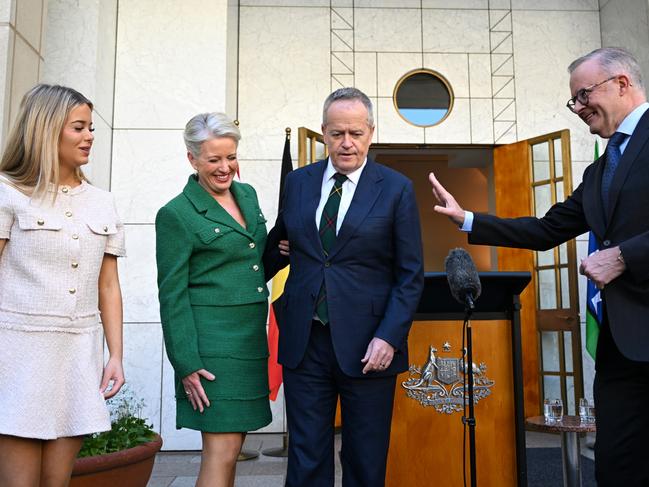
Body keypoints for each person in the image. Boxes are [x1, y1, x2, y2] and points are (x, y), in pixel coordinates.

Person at [429, 47, 649, 486]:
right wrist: (467, 219)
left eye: (584, 94)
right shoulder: (600, 169)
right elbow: (547, 229)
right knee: (617, 466)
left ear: (622, 83)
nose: (579, 108)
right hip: (621, 348)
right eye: (574, 100)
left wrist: (625, 255)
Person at [266, 87, 424, 486]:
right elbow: (284, 244)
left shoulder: (396, 188)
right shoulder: (299, 182)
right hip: (306, 341)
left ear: (371, 132)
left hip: (369, 347)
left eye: (355, 133)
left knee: (364, 458)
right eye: (337, 134)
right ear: (323, 133)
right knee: (305, 456)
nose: (347, 143)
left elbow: (410, 274)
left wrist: (389, 337)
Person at [0, 84, 126, 486]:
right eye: (79, 127)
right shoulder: (7, 194)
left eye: (90, 127)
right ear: (46, 128)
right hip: (17, 355)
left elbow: (108, 286)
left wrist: (115, 355)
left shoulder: (102, 201)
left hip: (77, 353)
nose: (90, 136)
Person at [156, 112, 287, 487]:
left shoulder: (246, 195)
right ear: (192, 159)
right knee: (221, 452)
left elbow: (255, 262)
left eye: (230, 156)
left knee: (233, 452)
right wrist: (185, 362)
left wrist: (282, 250)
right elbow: (171, 294)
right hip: (211, 349)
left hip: (248, 342)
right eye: (214, 159)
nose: (225, 167)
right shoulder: (176, 214)